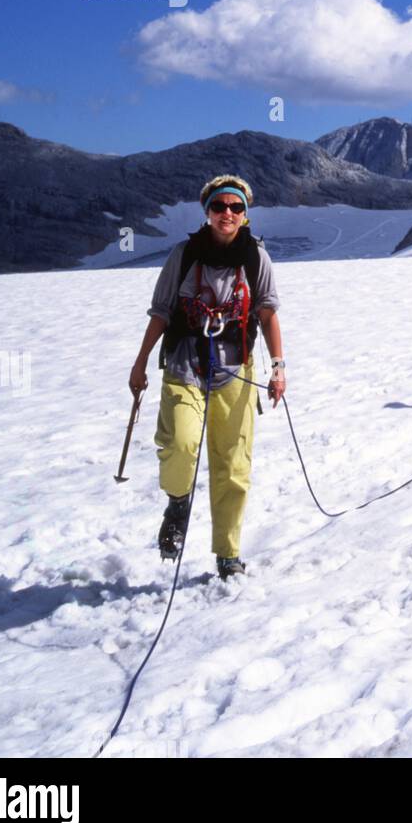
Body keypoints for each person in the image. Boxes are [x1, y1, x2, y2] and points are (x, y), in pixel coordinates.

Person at [128, 174, 285, 580]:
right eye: (219, 206)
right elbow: (161, 312)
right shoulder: (184, 255)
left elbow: (267, 312)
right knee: (181, 444)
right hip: (185, 364)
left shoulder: (257, 258)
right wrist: (141, 361)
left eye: (236, 208)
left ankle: (227, 554)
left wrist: (279, 366)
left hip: (238, 369)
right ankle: (178, 501)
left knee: (233, 465)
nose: (227, 214)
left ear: (245, 215)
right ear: (207, 211)